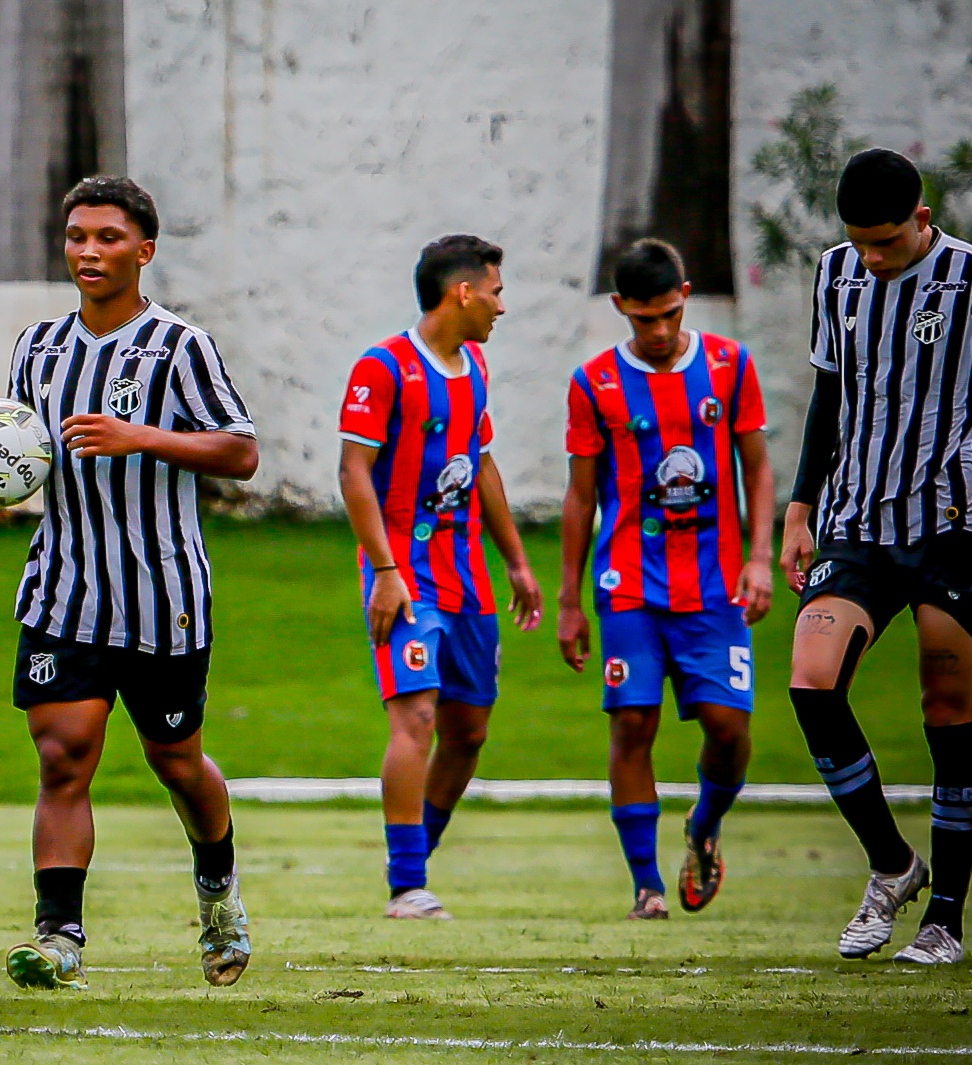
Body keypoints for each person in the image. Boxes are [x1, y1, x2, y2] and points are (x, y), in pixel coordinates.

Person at [0, 176, 258, 989]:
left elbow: (241, 451)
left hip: (163, 597)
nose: (87, 250)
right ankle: (59, 934)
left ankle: (217, 892)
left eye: (107, 237)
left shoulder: (181, 347)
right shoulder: (37, 347)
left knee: (176, 761)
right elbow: (18, 466)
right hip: (63, 590)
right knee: (62, 757)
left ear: (142, 251)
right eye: (76, 235)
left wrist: (140, 435)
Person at [782, 148, 972, 965]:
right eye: (858, 241)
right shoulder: (835, 276)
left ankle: (947, 918)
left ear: (921, 220)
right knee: (810, 679)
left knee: (946, 705)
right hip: (855, 519)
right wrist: (798, 506)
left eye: (886, 241)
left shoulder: (968, 280)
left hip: (950, 522)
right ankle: (893, 865)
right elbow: (828, 392)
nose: (871, 256)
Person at [558, 238, 775, 920]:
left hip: (713, 587)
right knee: (631, 723)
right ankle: (645, 885)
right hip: (628, 584)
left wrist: (759, 556)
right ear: (621, 308)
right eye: (642, 318)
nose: (656, 331)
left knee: (728, 727)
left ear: (685, 295)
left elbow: (757, 468)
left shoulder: (730, 366)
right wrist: (569, 597)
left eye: (668, 315)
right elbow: (579, 495)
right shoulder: (593, 383)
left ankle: (704, 823)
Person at [337, 235, 543, 920]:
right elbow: (352, 473)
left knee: (468, 729)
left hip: (467, 577)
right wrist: (387, 571)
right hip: (404, 572)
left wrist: (513, 559)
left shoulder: (474, 365)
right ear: (462, 292)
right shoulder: (382, 367)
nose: (500, 306)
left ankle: (416, 857)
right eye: (495, 291)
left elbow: (479, 465)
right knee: (417, 714)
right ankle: (407, 884)